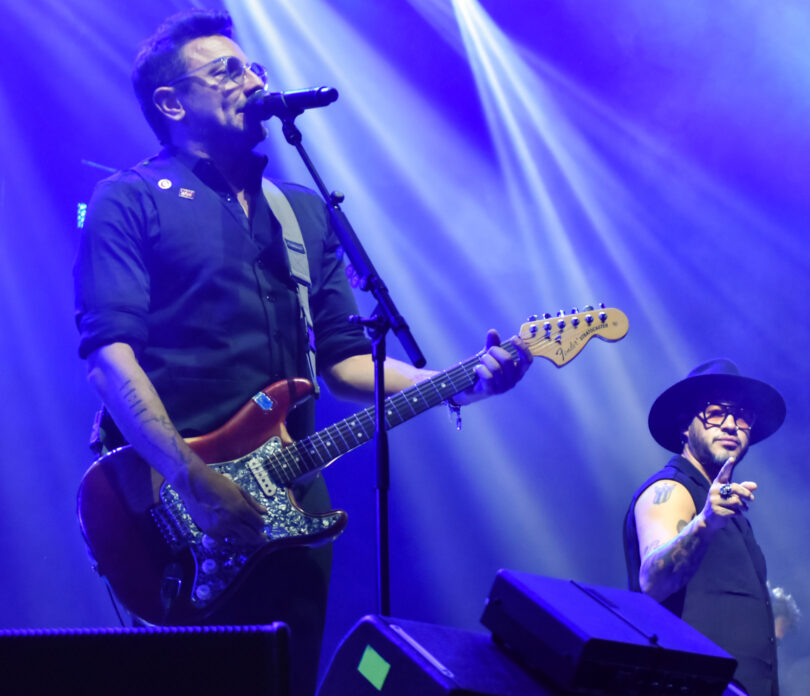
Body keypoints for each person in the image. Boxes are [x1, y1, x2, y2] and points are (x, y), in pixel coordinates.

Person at [73, 9, 531, 695]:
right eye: (226, 70)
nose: (254, 79)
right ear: (171, 102)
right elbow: (110, 357)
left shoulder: (303, 211)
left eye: (253, 66)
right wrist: (195, 480)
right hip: (172, 508)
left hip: (289, 503)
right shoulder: (129, 200)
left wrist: (460, 382)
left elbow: (345, 361)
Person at [623, 359, 786, 696]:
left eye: (742, 415)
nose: (730, 424)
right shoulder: (669, 490)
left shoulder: (733, 511)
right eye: (715, 412)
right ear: (686, 426)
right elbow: (652, 580)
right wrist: (706, 521)